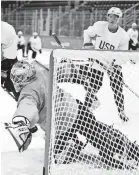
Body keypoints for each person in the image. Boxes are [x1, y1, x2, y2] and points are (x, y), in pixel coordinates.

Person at [83, 7, 130, 122]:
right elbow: (87, 33)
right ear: (107, 16)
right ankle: (86, 109)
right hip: (98, 62)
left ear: (119, 19)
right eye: (110, 16)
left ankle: (121, 110)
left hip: (111, 64)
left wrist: (116, 66)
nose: (112, 19)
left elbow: (122, 55)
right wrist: (88, 44)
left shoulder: (123, 36)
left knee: (117, 87)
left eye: (116, 17)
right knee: (95, 86)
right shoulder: (99, 26)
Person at [4, 60, 49, 151]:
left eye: (20, 77)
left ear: (27, 75)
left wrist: (20, 121)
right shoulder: (40, 70)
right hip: (71, 104)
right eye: (16, 77)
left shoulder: (29, 92)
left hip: (58, 125)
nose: (17, 80)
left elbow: (27, 105)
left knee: (56, 153)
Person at [1, 21, 19, 101]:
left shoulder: (5, 29)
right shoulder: (7, 26)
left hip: (7, 61)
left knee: (12, 83)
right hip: (10, 59)